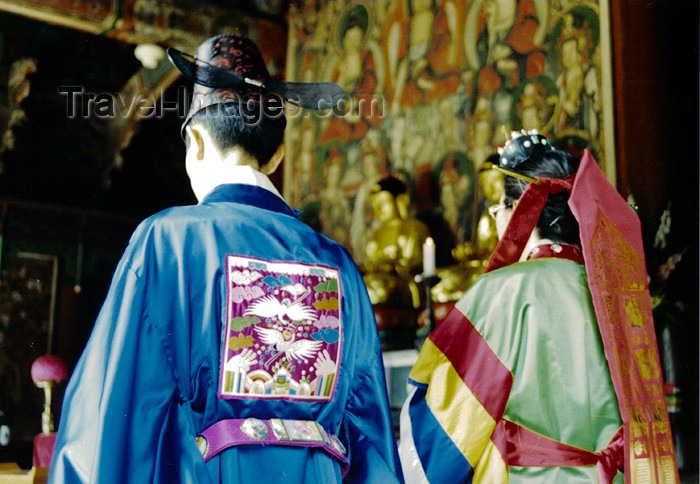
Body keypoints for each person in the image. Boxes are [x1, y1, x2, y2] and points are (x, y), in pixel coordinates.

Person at [50, 34, 402, 484]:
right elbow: (368, 433)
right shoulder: (339, 265)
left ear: (195, 141)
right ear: (277, 154)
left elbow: (116, 408)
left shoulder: (169, 242)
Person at [399, 131, 678, 482]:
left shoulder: (502, 292)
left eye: (499, 207)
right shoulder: (617, 296)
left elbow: (446, 419)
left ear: (520, 209)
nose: (497, 217)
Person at [363, 176, 429, 310]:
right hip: (377, 281)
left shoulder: (413, 227)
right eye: (375, 205)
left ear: (400, 200)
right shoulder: (376, 234)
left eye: (383, 202)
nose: (379, 209)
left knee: (383, 288)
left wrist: (392, 266)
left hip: (401, 282)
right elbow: (370, 263)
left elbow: (415, 262)